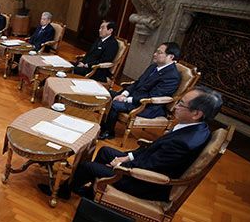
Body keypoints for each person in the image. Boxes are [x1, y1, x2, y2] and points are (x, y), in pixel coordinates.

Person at [42, 86, 222, 202]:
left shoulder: (184, 142)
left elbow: (152, 167)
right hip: (146, 164)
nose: (176, 106)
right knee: (105, 151)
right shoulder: (197, 128)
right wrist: (127, 157)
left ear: (196, 114)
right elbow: (154, 151)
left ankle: (62, 191)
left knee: (87, 166)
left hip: (144, 182)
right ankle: (90, 192)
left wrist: (122, 165)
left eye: (181, 104)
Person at [99, 42, 182, 140]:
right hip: (136, 97)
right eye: (156, 51)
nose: (154, 54)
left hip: (147, 106)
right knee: (107, 94)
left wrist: (126, 99)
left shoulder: (172, 76)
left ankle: (109, 132)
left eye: (159, 52)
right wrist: (125, 94)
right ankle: (103, 124)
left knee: (115, 104)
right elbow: (138, 82)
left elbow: (152, 95)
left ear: (171, 57)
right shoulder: (153, 67)